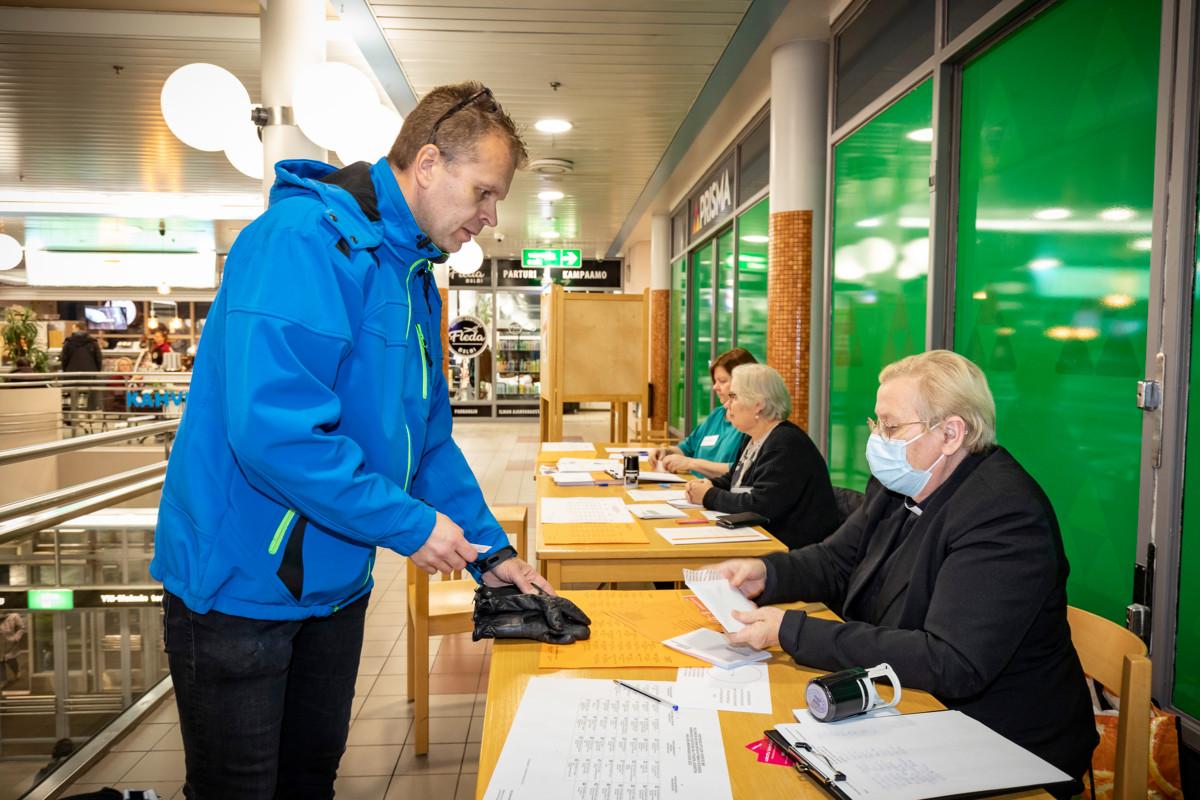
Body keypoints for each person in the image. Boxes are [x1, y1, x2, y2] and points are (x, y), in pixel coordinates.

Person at [150, 81, 551, 799]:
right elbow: (275, 435)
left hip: (334, 585)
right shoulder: (301, 243)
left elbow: (425, 444)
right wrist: (409, 525)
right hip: (238, 589)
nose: (490, 218)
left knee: (311, 782)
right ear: (427, 163)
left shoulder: (412, 276)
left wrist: (493, 554)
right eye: (484, 192)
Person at [715, 350, 1097, 796]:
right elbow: (837, 559)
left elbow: (951, 661)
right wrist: (766, 574)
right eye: (876, 424)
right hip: (911, 703)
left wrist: (792, 631)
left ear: (951, 433)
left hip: (1001, 736)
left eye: (892, 427)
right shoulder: (904, 481)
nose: (878, 439)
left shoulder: (1004, 513)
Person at [684, 364, 839, 549]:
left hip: (794, 555)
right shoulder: (753, 438)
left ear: (758, 405)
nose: (726, 404)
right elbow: (734, 481)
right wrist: (707, 485)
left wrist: (709, 496)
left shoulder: (785, 444)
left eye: (733, 397)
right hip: (759, 541)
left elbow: (760, 507)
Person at [651, 348, 756, 478]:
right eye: (715, 381)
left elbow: (742, 470)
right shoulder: (717, 415)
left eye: (722, 381)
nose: (715, 387)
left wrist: (691, 463)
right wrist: (665, 452)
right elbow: (686, 449)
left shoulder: (750, 424)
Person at [61, 322, 102, 410]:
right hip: (90, 374)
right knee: (91, 394)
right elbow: (98, 358)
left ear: (77, 328)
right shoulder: (93, 342)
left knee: (72, 395)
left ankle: (74, 415)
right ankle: (90, 416)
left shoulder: (68, 342)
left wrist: (65, 371)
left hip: (71, 375)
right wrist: (97, 371)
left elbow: (64, 358)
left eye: (73, 328)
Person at [0, 612, 25, 687]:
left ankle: (16, 671)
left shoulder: (14, 616)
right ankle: (3, 680)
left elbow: (22, 628)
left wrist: (16, 637)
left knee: (10, 659)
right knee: (0, 662)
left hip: (10, 641)